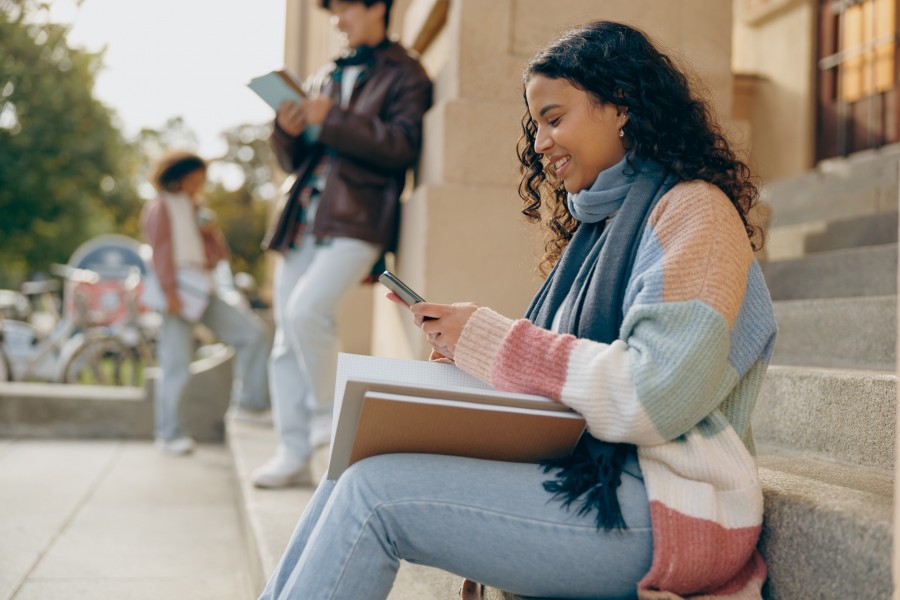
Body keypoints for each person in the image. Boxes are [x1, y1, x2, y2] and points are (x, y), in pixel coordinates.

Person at [258, 20, 777, 600]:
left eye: (555, 119)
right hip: (600, 485)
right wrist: (467, 363)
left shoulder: (695, 216)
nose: (539, 143)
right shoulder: (598, 232)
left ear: (622, 105)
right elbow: (563, 392)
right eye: (537, 125)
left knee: (374, 495)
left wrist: (493, 341)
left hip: (674, 510)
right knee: (350, 473)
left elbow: (655, 396)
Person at [252, 0, 432, 488]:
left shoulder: (408, 74)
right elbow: (296, 161)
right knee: (287, 335)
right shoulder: (325, 73)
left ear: (378, 7)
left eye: (346, 8)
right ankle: (291, 451)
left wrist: (331, 118)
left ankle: (327, 421)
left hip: (360, 221)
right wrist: (286, 131)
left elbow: (400, 146)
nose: (337, 20)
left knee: (308, 313)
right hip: (304, 220)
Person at [141, 151, 273, 455]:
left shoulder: (195, 208)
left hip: (203, 288)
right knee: (177, 365)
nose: (198, 184)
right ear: (177, 176)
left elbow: (218, 256)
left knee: (252, 335)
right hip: (176, 291)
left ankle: (250, 405)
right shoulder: (160, 207)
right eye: (193, 178)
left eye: (201, 179)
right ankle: (169, 433)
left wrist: (209, 231)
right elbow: (160, 252)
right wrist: (170, 291)